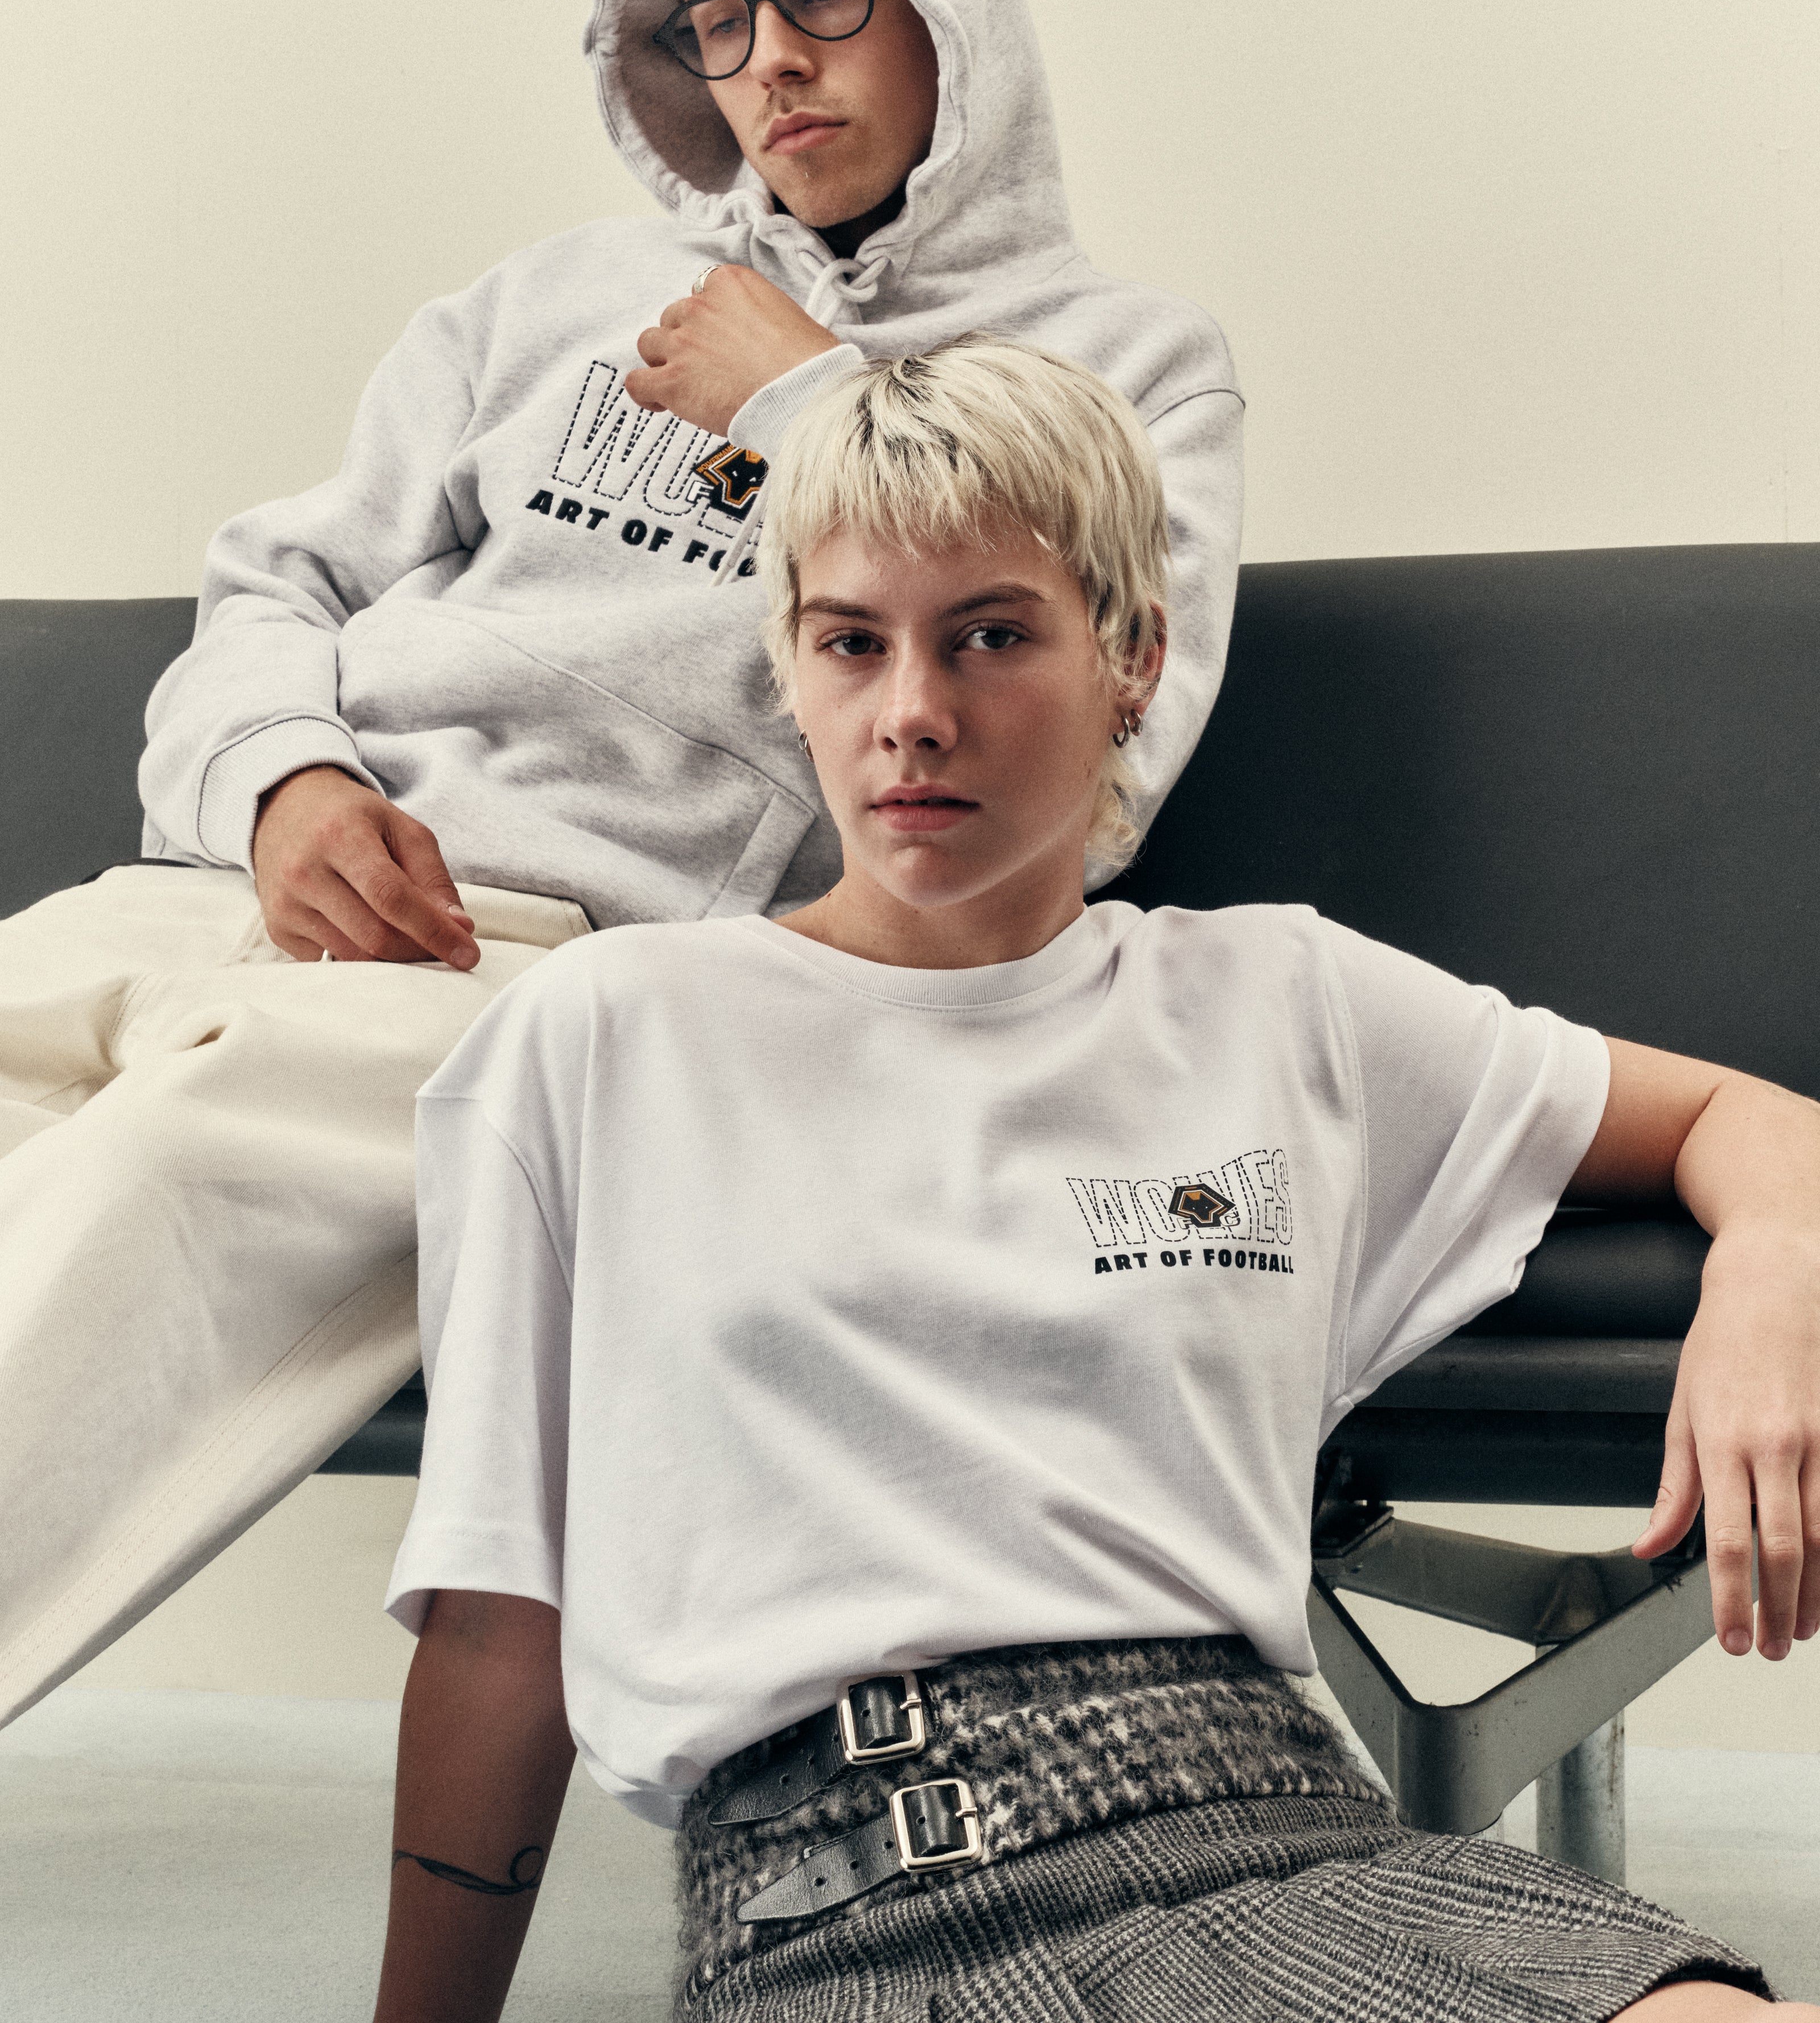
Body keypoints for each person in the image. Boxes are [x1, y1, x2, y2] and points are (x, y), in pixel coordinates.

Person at [374, 336, 1819, 2023]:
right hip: (849, 1926)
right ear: (791, 664)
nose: (913, 713)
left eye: (991, 635)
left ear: (1133, 656)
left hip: (1295, 1845)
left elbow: (1747, 1121)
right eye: (853, 641)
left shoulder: (1280, 999)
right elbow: (498, 1630)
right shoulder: (606, 1033)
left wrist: (1772, 1280)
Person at [0, 0, 1243, 1729]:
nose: (771, 64)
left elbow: (1098, 785)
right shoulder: (544, 304)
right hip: (231, 886)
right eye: (717, 20)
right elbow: (275, 583)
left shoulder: (1126, 367)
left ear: (950, 3)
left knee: (162, 1179)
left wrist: (816, 407)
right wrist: (285, 783)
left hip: (546, 976)